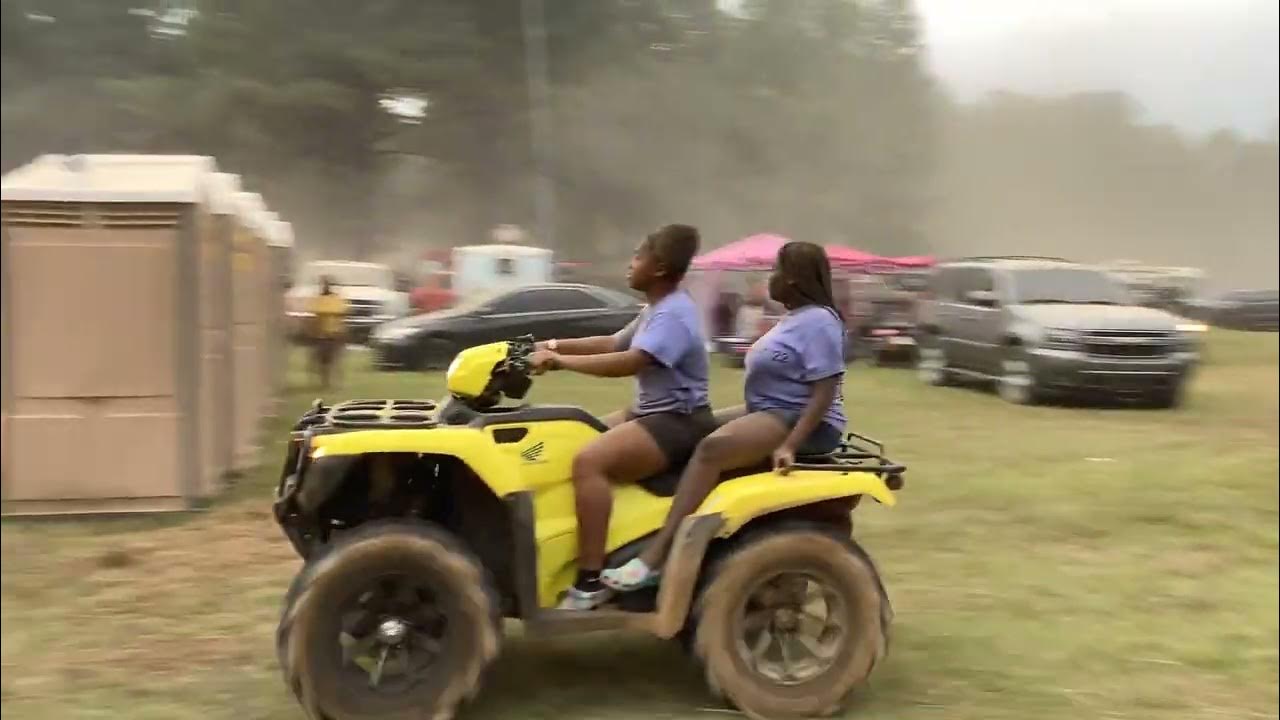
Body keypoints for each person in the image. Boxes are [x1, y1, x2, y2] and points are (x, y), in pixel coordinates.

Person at [601, 241, 848, 591]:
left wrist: (790, 445)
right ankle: (660, 519)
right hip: (769, 409)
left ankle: (657, 556)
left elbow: (825, 390)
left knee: (712, 449)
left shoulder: (820, 321)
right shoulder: (794, 318)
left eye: (776, 271)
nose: (770, 279)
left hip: (804, 420)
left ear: (794, 278)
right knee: (694, 429)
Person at [527, 224, 714, 610]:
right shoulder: (657, 308)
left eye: (637, 257)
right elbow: (613, 342)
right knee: (571, 435)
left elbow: (631, 360)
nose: (629, 265)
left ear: (659, 268)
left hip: (676, 422)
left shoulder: (674, 314)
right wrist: (549, 344)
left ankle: (589, 581)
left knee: (588, 461)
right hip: (651, 412)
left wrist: (561, 361)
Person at [309, 275, 348, 390]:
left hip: (335, 333)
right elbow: (316, 316)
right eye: (323, 284)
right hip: (322, 334)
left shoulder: (336, 299)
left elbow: (341, 315)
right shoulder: (318, 299)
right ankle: (325, 382)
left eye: (326, 284)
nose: (325, 286)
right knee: (323, 361)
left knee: (335, 359)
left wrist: (341, 330)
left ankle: (336, 383)